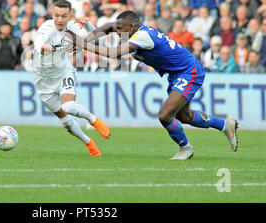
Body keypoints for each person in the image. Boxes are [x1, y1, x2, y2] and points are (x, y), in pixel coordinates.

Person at [69, 10, 238, 160]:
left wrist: (82, 43)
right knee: (184, 117)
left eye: (121, 29)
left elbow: (114, 53)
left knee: (165, 115)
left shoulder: (143, 37)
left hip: (189, 71)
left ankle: (185, 148)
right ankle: (224, 125)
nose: (118, 32)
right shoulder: (129, 28)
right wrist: (87, 37)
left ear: (131, 26)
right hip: (177, 73)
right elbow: (107, 27)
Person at [32, 0, 110, 157]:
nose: (59, 20)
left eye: (63, 16)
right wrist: (43, 47)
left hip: (64, 73)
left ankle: (93, 120)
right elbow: (38, 42)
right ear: (52, 14)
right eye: (56, 15)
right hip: (43, 81)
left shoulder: (73, 27)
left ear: (70, 16)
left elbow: (96, 36)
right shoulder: (47, 27)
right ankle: (89, 143)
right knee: (65, 121)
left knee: (69, 107)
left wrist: (87, 24)